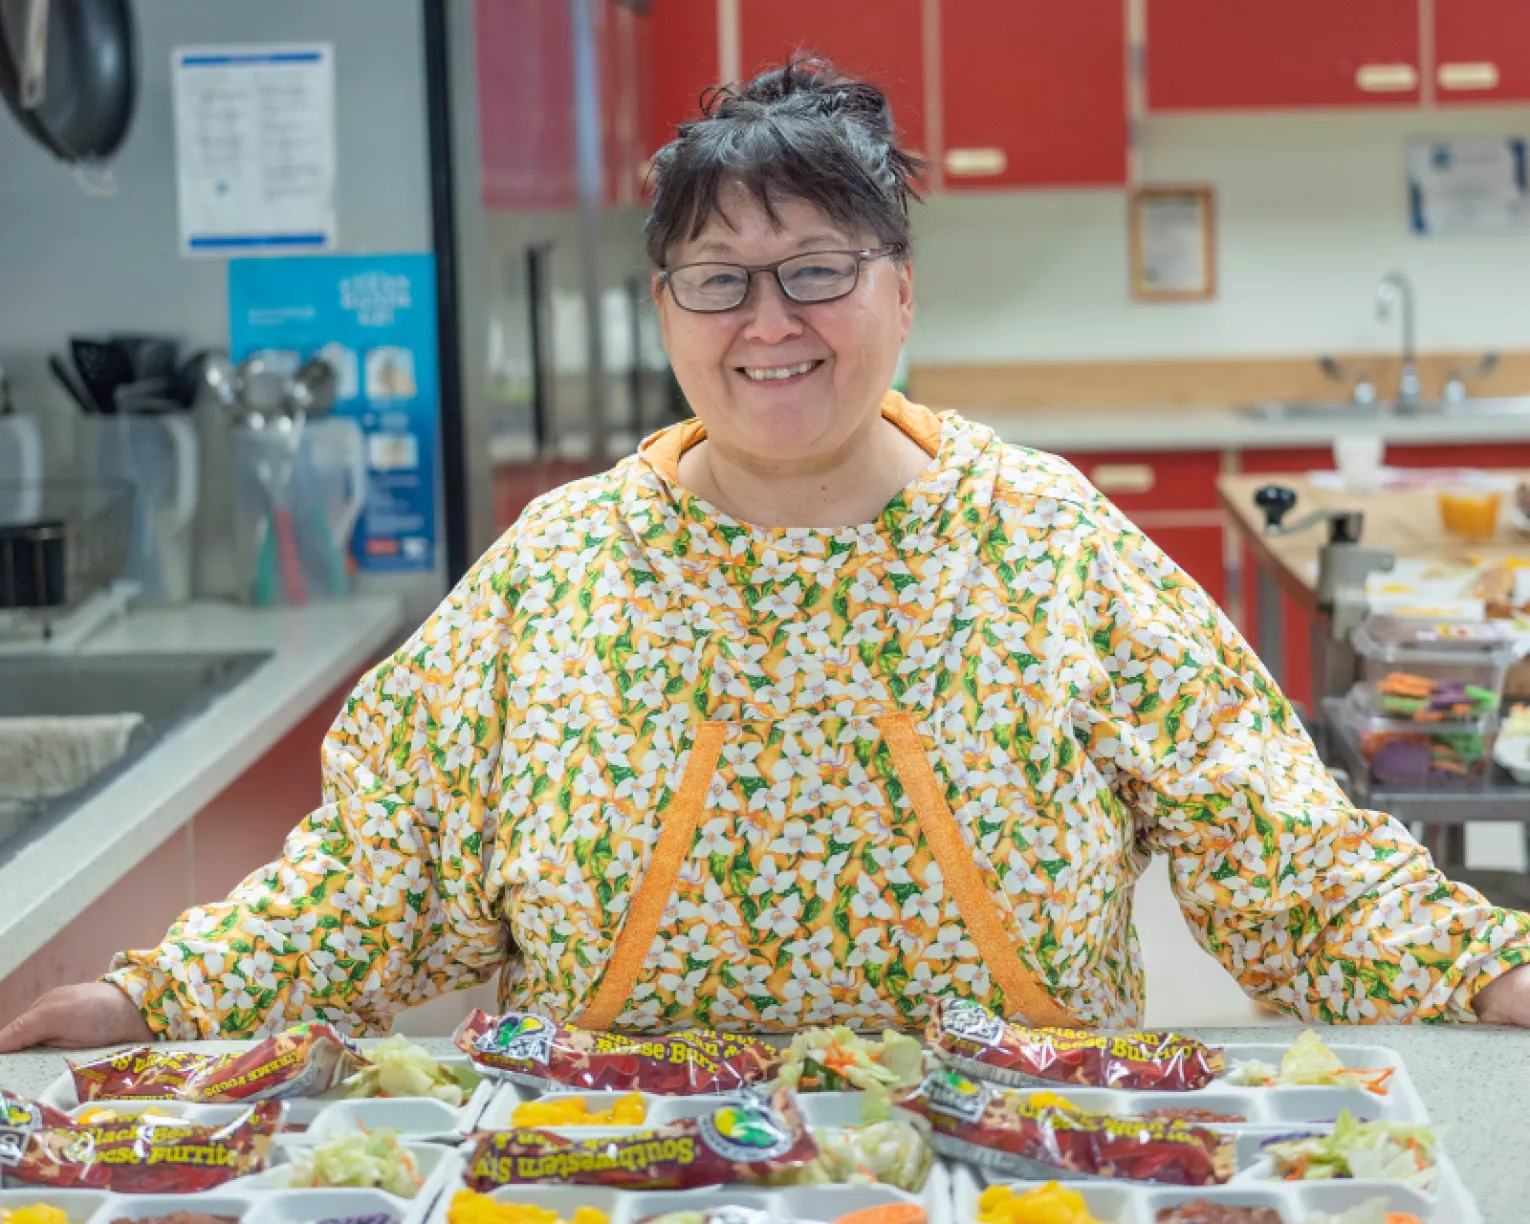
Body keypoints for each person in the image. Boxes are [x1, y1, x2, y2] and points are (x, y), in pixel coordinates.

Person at [4, 62, 1529, 1053]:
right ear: (666, 308)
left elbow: (1276, 836)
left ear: (901, 293)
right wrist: (156, 994)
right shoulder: (561, 568)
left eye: (815, 268)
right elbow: (378, 873)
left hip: (1014, 1158)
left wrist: (1483, 964)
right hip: (612, 1167)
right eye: (717, 279)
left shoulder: (1051, 543)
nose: (768, 321)